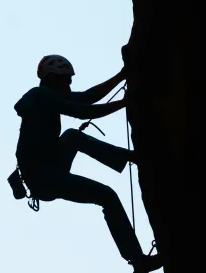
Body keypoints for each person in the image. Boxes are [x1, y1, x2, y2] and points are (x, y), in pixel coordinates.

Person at [13, 54, 163, 273]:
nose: (70, 85)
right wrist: (125, 102)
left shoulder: (45, 96)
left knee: (72, 136)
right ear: (54, 79)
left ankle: (130, 157)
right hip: (43, 177)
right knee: (107, 196)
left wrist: (121, 76)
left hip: (47, 169)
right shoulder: (41, 97)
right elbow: (84, 111)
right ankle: (138, 260)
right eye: (67, 80)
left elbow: (86, 98)